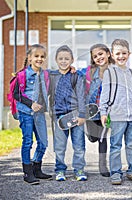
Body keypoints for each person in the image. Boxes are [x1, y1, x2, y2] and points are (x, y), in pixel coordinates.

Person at [100, 39, 132, 185]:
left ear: (129, 54)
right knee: (116, 145)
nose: (121, 56)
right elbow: (105, 94)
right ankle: (116, 173)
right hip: (117, 116)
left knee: (131, 144)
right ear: (112, 55)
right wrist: (103, 112)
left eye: (124, 53)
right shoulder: (109, 73)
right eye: (118, 53)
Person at [14, 44, 52, 185]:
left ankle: (37, 168)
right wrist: (31, 104)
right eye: (36, 56)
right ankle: (27, 172)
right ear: (29, 58)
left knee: (43, 142)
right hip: (26, 113)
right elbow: (16, 94)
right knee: (28, 141)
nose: (39, 59)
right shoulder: (22, 75)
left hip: (39, 113)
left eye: (42, 56)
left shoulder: (45, 74)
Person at [48, 45, 87, 181]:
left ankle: (79, 169)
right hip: (59, 116)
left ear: (72, 60)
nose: (63, 61)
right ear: (56, 60)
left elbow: (81, 96)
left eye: (66, 59)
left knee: (79, 145)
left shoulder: (77, 76)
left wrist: (82, 114)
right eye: (60, 59)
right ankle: (60, 170)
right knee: (59, 146)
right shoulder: (52, 76)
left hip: (76, 115)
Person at [81, 44, 115, 177]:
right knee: (93, 138)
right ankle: (90, 135)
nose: (98, 57)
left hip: (106, 111)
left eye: (101, 54)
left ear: (108, 54)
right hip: (91, 111)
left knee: (102, 137)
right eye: (95, 56)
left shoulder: (114, 71)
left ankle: (103, 165)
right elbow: (77, 74)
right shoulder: (89, 71)